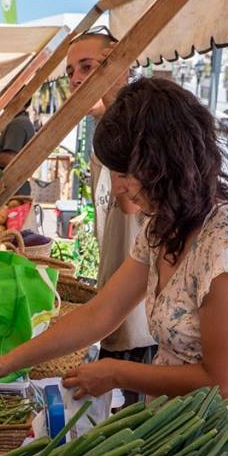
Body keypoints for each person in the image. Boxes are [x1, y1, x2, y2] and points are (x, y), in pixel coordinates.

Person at [0, 78, 228, 406]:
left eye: (124, 174)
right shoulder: (161, 227)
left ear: (166, 164)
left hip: (224, 440)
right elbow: (99, 314)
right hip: (172, 423)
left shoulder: (227, 242)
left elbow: (225, 383)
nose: (117, 187)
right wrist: (7, 362)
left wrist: (117, 373)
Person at [66, 27, 156, 407]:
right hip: (117, 294)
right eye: (70, 72)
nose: (76, 80)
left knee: (137, 419)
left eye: (88, 67)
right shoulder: (101, 131)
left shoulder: (134, 126)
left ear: (121, 62)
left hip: (142, 312)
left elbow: (130, 206)